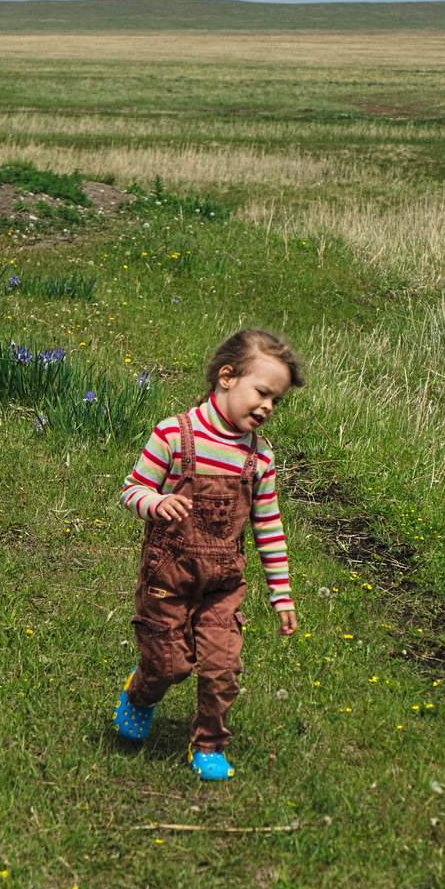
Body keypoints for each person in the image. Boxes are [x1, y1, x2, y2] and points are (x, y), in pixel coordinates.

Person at [114, 329, 305, 780]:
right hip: (168, 575)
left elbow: (269, 528)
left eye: (276, 401)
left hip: (222, 584)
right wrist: (156, 502)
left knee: (222, 669)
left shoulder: (259, 458)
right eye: (262, 393)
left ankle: (210, 744)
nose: (267, 407)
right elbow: (132, 489)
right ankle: (140, 694)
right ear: (226, 377)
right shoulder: (174, 435)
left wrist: (282, 595)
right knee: (169, 664)